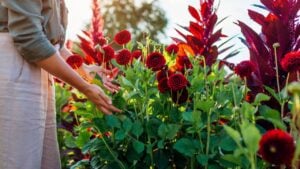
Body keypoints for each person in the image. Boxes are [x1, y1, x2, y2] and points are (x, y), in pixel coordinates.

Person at [0, 0, 121, 168]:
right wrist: (85, 88)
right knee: (18, 159)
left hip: (35, 67)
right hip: (14, 71)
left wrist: (82, 67)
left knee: (42, 160)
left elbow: (51, 42)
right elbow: (30, 39)